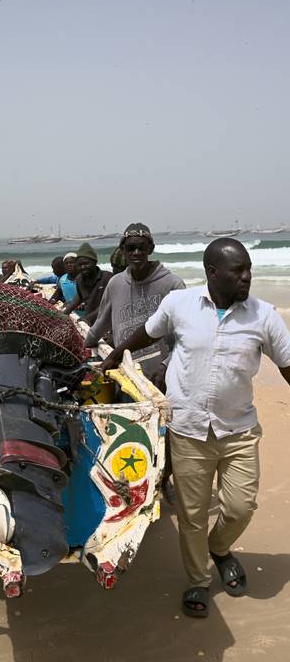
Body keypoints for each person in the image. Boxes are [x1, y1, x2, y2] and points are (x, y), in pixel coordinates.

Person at [100, 238, 290, 618]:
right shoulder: (179, 305)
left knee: (240, 507)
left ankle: (219, 548)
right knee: (192, 515)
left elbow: (287, 365)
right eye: (238, 271)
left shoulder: (264, 315)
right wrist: (112, 359)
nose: (247, 277)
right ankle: (198, 580)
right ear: (212, 273)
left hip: (238, 430)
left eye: (249, 269)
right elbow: (148, 333)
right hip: (188, 430)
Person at [86, 223, 185, 502]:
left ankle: (164, 479)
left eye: (142, 246)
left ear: (151, 248)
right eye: (131, 248)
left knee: (166, 434)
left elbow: (183, 336)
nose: (137, 252)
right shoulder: (116, 283)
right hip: (126, 374)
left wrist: (167, 365)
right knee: (129, 433)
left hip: (162, 375)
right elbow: (100, 322)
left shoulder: (172, 284)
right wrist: (82, 343)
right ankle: (134, 486)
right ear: (123, 251)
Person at [63, 243, 112, 325]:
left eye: (86, 264)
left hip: (107, 323)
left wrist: (88, 318)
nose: (83, 267)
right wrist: (64, 313)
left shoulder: (108, 278)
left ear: (95, 262)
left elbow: (109, 304)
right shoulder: (79, 279)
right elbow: (79, 297)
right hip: (90, 323)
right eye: (80, 265)